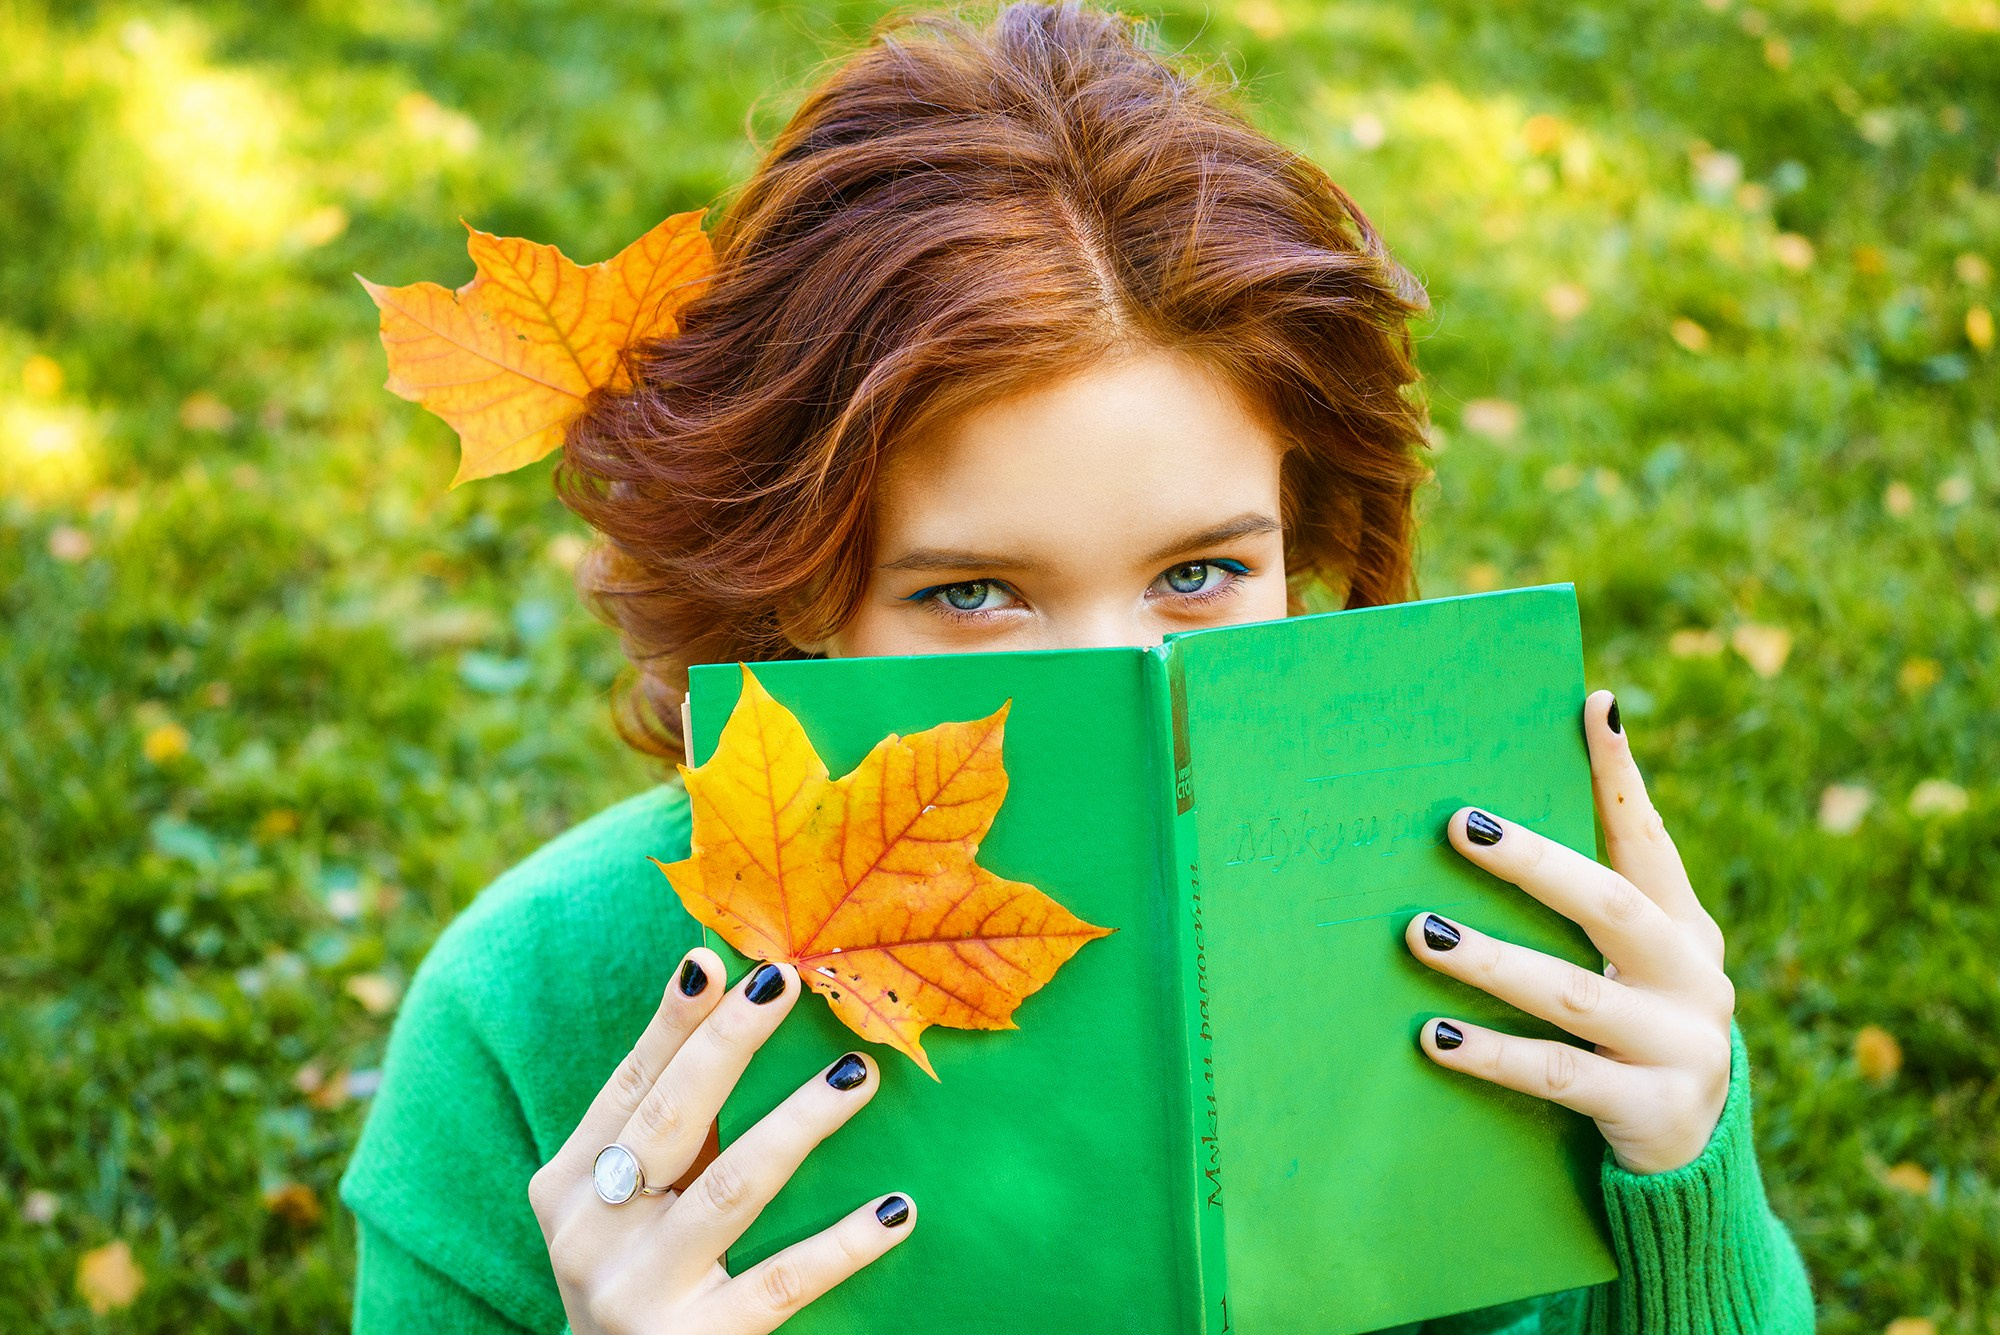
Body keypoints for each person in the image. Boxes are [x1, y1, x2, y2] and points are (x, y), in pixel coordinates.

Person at [339, 4, 1816, 1331]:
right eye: (973, 593)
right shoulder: (522, 1022)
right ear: (793, 592)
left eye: (1201, 575)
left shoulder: (1502, 944)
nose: (1121, 687)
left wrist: (1681, 1169)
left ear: (1302, 545)